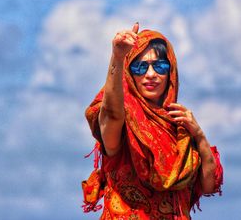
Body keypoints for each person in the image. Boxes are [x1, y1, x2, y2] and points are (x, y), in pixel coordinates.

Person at [82, 22, 223, 219]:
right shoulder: (125, 123)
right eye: (140, 67)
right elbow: (112, 114)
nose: (150, 74)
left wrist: (198, 135)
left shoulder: (181, 127)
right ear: (129, 74)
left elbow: (209, 184)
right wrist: (118, 57)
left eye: (159, 66)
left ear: (170, 71)